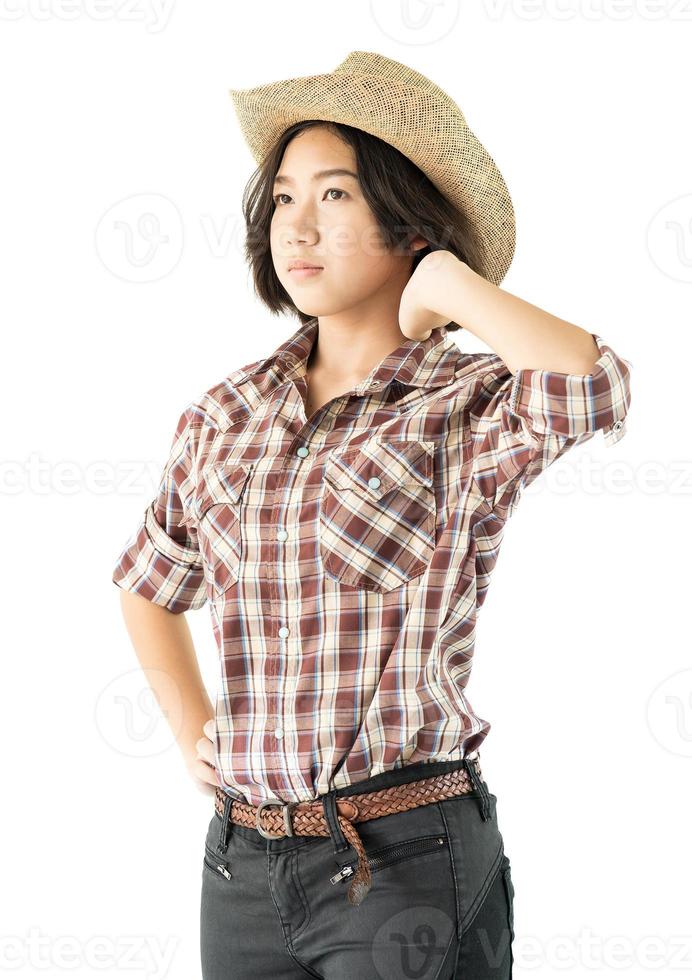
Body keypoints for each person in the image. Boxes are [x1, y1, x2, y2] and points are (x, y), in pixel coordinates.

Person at [112, 51, 632, 979]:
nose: (298, 226)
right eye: (282, 199)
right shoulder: (225, 415)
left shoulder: (464, 404)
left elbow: (592, 390)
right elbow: (150, 581)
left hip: (403, 857)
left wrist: (452, 287)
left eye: (338, 196)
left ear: (406, 217)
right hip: (240, 870)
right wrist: (194, 731)